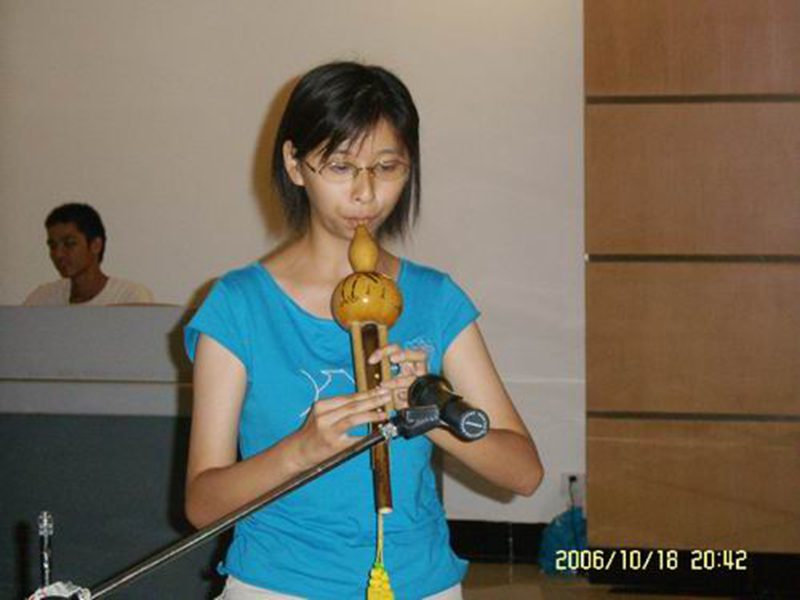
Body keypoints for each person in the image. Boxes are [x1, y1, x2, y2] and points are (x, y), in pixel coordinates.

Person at [183, 61, 543, 600]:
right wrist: (301, 449)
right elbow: (202, 504)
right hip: (277, 585)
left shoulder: (435, 298)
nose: (366, 194)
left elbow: (523, 472)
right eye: (341, 166)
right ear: (295, 164)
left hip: (420, 583)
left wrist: (429, 413)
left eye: (387, 167)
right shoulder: (239, 305)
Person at [23, 203, 154, 306]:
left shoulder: (128, 297)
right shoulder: (42, 298)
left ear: (96, 245)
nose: (58, 254)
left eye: (69, 243)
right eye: (53, 246)